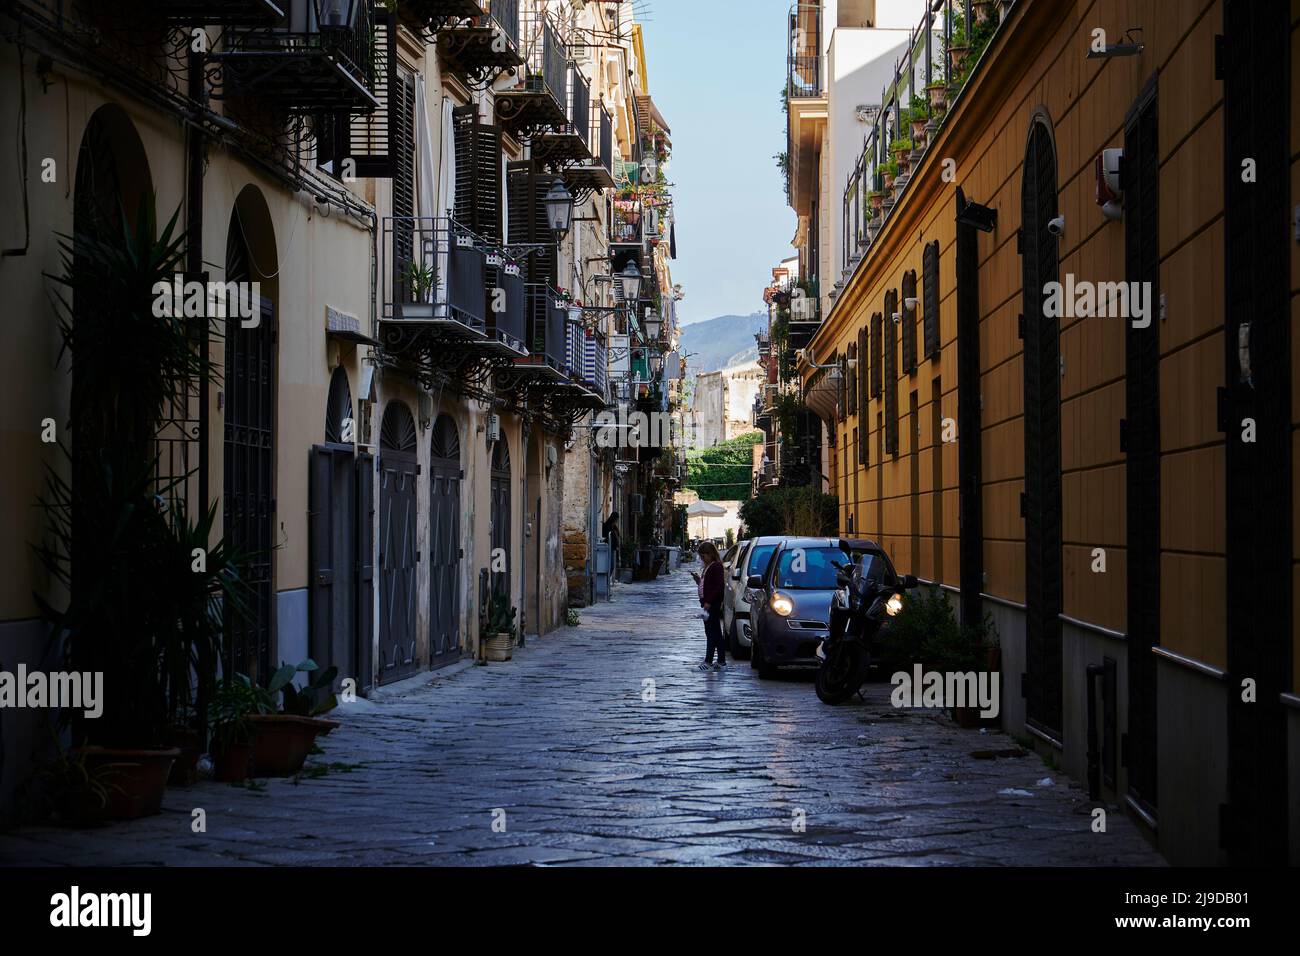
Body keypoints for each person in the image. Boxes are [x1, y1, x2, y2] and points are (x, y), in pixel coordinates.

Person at [691, 541, 726, 672]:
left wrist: (709, 601)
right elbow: (708, 584)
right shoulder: (709, 566)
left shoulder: (716, 567)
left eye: (703, 556)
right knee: (714, 632)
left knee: (712, 632)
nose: (702, 559)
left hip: (712, 604)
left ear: (710, 554)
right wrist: (699, 581)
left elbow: (718, 587)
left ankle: (709, 661)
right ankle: (721, 660)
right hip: (707, 603)